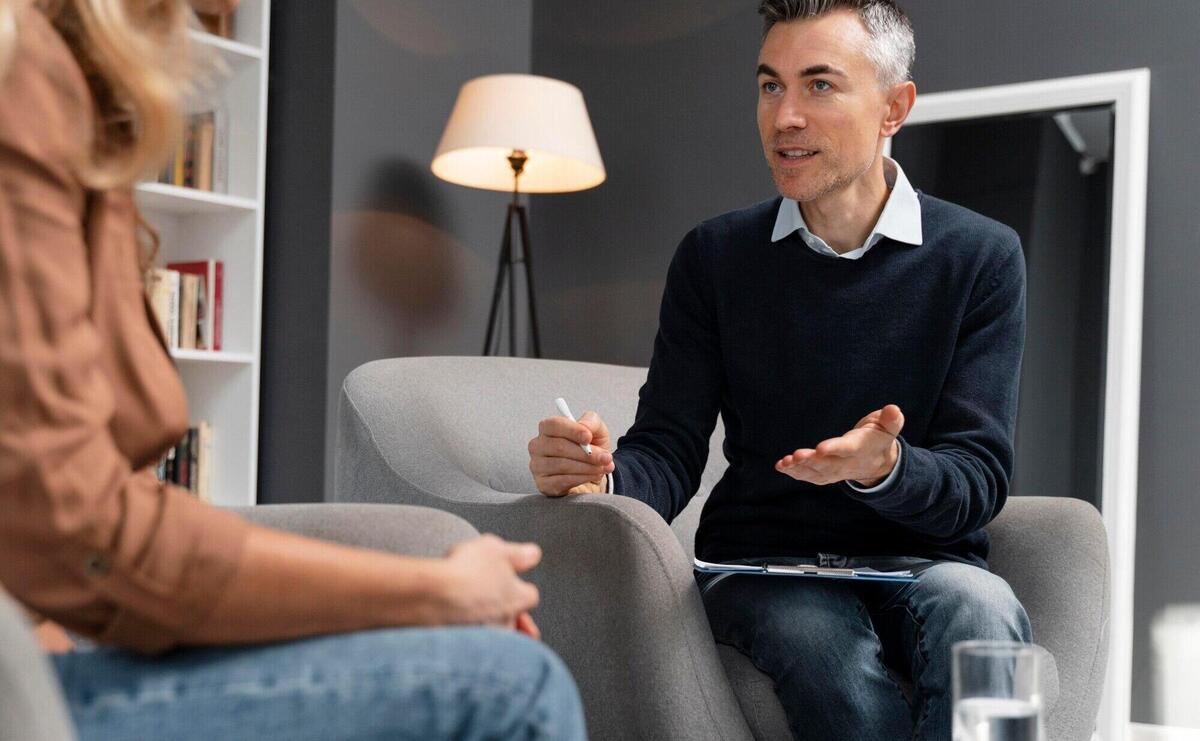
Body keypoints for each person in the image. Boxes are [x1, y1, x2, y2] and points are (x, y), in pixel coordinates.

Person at [0, 1, 586, 739]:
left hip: (41, 648)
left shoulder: (74, 102)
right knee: (516, 685)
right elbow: (83, 530)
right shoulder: (26, 78)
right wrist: (430, 590)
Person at [527, 1, 1031, 738]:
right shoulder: (715, 257)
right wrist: (598, 474)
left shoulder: (982, 257)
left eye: (818, 86)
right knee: (824, 650)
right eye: (770, 86)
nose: (784, 116)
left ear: (895, 106)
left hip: (921, 561)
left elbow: (978, 478)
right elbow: (667, 449)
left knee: (982, 608)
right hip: (763, 571)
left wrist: (884, 467)